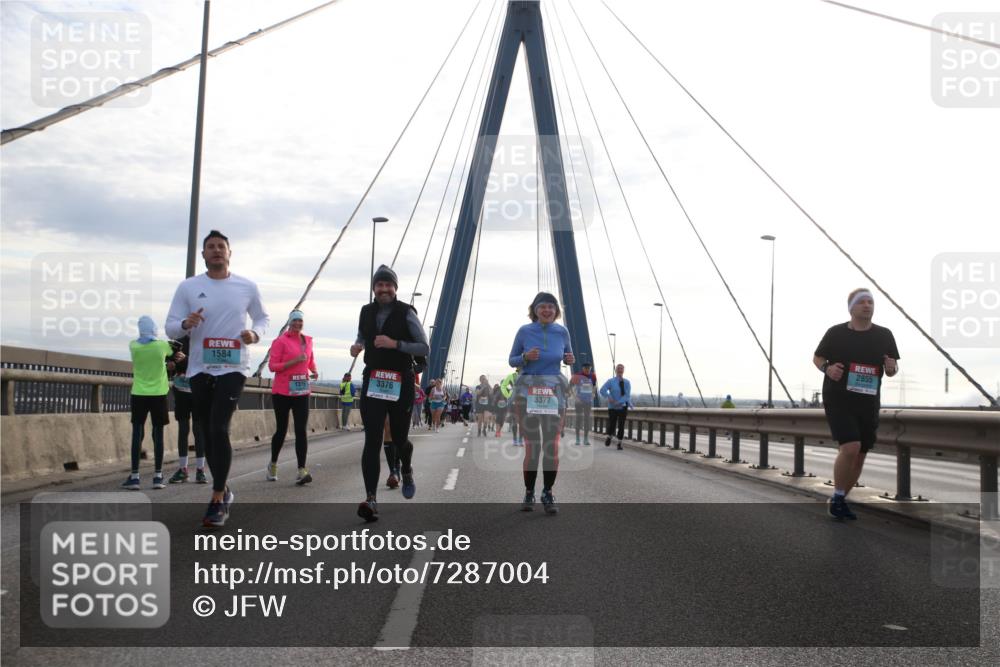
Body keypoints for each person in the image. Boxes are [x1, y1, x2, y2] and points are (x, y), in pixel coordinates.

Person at [166, 229, 269, 528]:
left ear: (229, 253)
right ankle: (224, 488)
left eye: (221, 246)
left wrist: (255, 334)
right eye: (210, 246)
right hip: (200, 368)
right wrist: (185, 323)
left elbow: (263, 318)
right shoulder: (188, 287)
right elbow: (170, 326)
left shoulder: (246, 286)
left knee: (218, 427)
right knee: (206, 431)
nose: (216, 250)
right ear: (203, 254)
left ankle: (216, 498)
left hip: (233, 367)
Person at [349, 265, 429, 521]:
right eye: (379, 285)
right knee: (372, 439)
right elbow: (362, 335)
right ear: (374, 288)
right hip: (373, 379)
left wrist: (395, 344)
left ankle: (406, 468)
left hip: (401, 380)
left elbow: (424, 347)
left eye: (388, 285)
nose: (383, 289)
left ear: (395, 288)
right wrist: (357, 346)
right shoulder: (366, 311)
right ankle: (371, 499)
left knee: (399, 438)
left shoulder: (406, 312)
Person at [814, 288, 899, 521]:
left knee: (860, 454)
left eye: (870, 301)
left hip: (868, 401)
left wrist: (891, 368)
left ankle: (840, 498)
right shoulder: (836, 333)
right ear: (851, 308)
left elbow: (892, 368)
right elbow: (818, 357)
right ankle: (838, 498)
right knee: (851, 447)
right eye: (862, 302)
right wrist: (827, 369)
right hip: (838, 398)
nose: (867, 305)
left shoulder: (884, 335)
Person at [508, 292, 575, 514]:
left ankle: (547, 492)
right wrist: (525, 357)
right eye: (542, 307)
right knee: (533, 446)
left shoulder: (562, 332)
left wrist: (569, 359)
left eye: (551, 307)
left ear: (556, 311)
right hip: (527, 391)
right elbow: (512, 360)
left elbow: (568, 356)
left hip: (554, 391)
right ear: (535, 310)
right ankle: (529, 492)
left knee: (551, 446)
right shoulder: (524, 331)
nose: (547, 310)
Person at [123, 316, 182, 490]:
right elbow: (174, 352)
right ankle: (157, 476)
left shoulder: (133, 346)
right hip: (158, 394)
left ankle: (135, 477)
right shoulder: (162, 346)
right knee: (158, 434)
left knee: (137, 433)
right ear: (154, 329)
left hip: (138, 393)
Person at [266, 310, 318, 486]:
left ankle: (301, 470)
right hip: (282, 392)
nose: (297, 323)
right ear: (289, 322)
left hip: (301, 391)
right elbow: (272, 366)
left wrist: (314, 370)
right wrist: (294, 361)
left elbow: (309, 359)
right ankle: (273, 464)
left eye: (300, 321)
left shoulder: (308, 340)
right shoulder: (280, 341)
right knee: (281, 430)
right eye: (295, 320)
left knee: (301, 430)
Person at [168, 335, 207, 484]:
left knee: (198, 430)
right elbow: (170, 366)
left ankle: (200, 470)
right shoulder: (179, 342)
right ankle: (183, 469)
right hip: (181, 392)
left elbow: (207, 364)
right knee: (183, 430)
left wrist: (186, 359)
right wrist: (171, 366)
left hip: (199, 392)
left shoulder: (205, 340)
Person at [600, 364, 632, 450]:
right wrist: (608, 397)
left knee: (621, 425)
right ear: (616, 370)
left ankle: (619, 443)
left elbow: (627, 395)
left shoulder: (627, 382)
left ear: (623, 371)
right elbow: (602, 390)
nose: (620, 370)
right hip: (612, 407)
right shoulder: (611, 381)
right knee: (612, 424)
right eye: (618, 368)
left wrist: (619, 402)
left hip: (623, 406)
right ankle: (609, 436)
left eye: (621, 368)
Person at [570, 362, 598, 446]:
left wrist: (593, 393)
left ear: (590, 368)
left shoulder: (593, 376)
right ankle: (577, 439)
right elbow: (570, 387)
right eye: (586, 368)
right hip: (579, 401)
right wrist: (575, 397)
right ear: (583, 368)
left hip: (588, 401)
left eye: (589, 368)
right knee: (578, 419)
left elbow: (594, 386)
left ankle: (586, 439)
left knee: (587, 420)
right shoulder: (577, 376)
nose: (587, 370)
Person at [500, 369, 521, 445]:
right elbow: (503, 386)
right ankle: (515, 439)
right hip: (513, 402)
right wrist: (508, 395)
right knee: (514, 421)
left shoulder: (527, 376)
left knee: (522, 422)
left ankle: (520, 439)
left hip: (524, 402)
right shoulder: (512, 376)